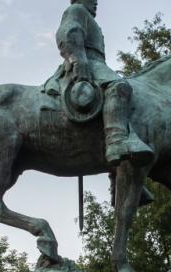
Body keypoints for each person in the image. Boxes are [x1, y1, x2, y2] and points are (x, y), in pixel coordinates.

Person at [55, 0, 155, 167]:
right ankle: (116, 141)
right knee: (119, 87)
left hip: (97, 63)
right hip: (88, 62)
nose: (96, 2)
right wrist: (78, 59)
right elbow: (68, 32)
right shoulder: (77, 9)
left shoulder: (88, 17)